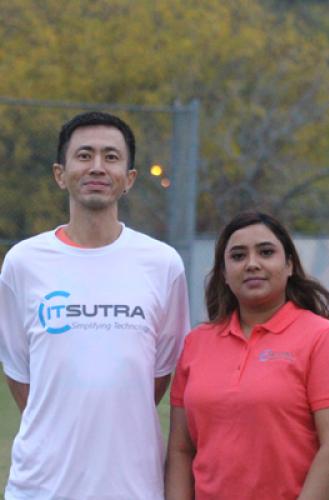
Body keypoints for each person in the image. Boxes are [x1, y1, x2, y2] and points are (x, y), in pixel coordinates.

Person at [0, 111, 190, 499]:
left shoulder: (162, 264)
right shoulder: (23, 263)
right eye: (84, 155)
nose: (97, 167)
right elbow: (19, 373)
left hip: (133, 487)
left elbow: (159, 375)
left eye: (111, 157)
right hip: (42, 487)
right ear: (60, 174)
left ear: (129, 178)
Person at [165, 211, 329, 500]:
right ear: (224, 273)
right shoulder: (196, 343)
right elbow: (181, 449)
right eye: (238, 256)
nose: (252, 264)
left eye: (266, 252)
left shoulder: (323, 338)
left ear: (289, 265)